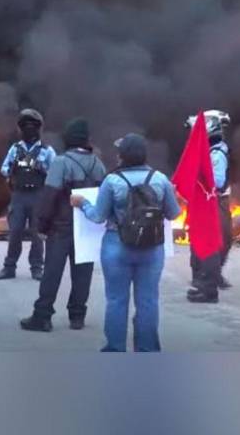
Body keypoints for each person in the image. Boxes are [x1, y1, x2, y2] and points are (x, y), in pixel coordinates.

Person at [71, 134, 181, 352]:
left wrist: (82, 204)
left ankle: (115, 348)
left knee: (116, 300)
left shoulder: (112, 181)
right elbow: (173, 214)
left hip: (116, 246)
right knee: (148, 301)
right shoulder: (160, 179)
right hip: (152, 248)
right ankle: (147, 349)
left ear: (122, 156)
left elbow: (98, 216)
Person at [20, 118, 106, 332]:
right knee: (82, 274)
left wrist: (41, 226)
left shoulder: (61, 162)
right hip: (86, 227)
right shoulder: (98, 163)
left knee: (52, 272)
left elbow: (49, 196)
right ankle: (77, 317)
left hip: (61, 227)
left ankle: (42, 316)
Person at [0, 109, 56, 281]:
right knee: (15, 232)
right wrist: (13, 167)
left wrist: (41, 167)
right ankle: (9, 267)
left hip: (38, 195)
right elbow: (4, 169)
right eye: (25, 126)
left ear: (38, 128)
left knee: (37, 234)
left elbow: (56, 172)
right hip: (19, 196)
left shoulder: (47, 151)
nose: (29, 129)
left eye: (32, 126)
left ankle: (37, 268)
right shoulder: (15, 149)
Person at [185, 110, 234, 303]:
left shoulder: (216, 154)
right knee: (205, 242)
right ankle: (204, 280)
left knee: (211, 243)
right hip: (209, 202)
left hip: (212, 202)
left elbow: (217, 182)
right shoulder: (212, 151)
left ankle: (208, 283)